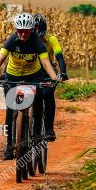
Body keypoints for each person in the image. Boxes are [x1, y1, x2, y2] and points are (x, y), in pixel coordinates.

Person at [0, 12, 60, 160]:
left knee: (38, 98)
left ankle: (37, 132)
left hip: (33, 74)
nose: (23, 34)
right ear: (16, 30)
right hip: (13, 74)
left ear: (31, 30)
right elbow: (0, 58)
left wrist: (54, 78)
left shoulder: (37, 42)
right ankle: (9, 145)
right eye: (19, 31)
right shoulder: (12, 40)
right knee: (10, 109)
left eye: (26, 31)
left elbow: (45, 62)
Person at [33, 14, 68, 142]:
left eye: (41, 36)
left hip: (48, 71)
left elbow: (59, 57)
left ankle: (49, 129)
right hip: (32, 70)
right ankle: (33, 130)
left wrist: (63, 72)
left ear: (45, 33)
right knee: (36, 97)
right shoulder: (27, 39)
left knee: (47, 95)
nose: (39, 39)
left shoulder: (52, 39)